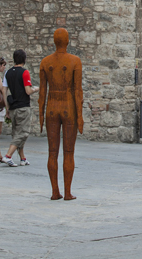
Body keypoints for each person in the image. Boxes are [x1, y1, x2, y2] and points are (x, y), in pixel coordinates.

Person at [38, 28, 84, 200]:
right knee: (69, 151)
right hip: (68, 106)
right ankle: (67, 192)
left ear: (54, 41)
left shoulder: (45, 62)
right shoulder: (75, 61)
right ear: (67, 41)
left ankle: (54, 191)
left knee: (52, 152)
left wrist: (41, 117)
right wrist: (80, 116)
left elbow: (42, 94)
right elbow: (78, 91)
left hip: (51, 106)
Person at [1, 49, 39, 167]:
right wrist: (36, 89)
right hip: (23, 106)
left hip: (13, 107)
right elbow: (28, 91)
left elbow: (4, 91)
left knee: (16, 133)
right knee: (23, 133)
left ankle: (22, 158)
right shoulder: (24, 72)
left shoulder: (8, 73)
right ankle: (8, 156)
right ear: (24, 59)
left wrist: (7, 108)